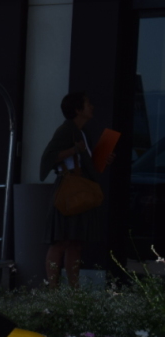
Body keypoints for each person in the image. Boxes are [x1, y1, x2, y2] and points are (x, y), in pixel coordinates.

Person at [39, 92, 113, 288]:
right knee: (61, 242)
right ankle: (53, 290)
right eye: (88, 104)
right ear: (78, 110)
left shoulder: (82, 132)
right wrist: (74, 150)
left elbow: (85, 162)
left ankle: (73, 290)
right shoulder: (66, 131)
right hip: (68, 190)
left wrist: (101, 159)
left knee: (75, 242)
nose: (92, 107)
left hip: (78, 189)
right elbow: (49, 157)